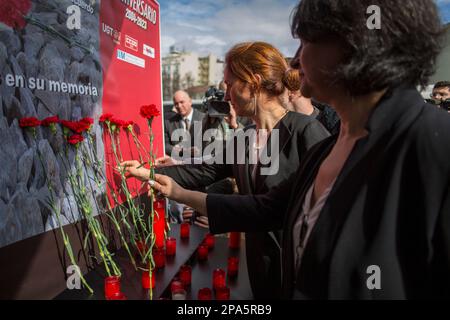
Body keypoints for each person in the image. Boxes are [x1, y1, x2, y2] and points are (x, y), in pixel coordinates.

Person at [146, 0, 450, 299]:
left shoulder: (435, 145)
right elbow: (267, 209)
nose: (293, 63)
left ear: (355, 44)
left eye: (305, 42)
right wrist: (165, 182)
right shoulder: (330, 148)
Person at [121, 41, 330, 299]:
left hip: (299, 270)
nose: (227, 94)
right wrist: (147, 172)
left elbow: (271, 209)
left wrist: (181, 194)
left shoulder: (306, 132)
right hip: (259, 268)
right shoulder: (244, 138)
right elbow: (204, 171)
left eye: (230, 85)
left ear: (253, 83)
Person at [164, 90, 205, 159]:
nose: (179, 106)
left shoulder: (204, 119)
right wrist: (180, 151)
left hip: (199, 163)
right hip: (178, 164)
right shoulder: (169, 123)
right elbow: (165, 145)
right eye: (176, 104)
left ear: (190, 101)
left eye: (182, 102)